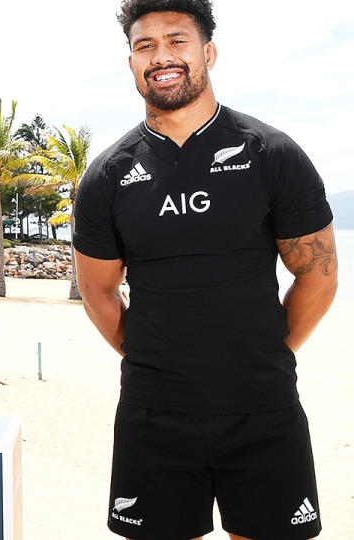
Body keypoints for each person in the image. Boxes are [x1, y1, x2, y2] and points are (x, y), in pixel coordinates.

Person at [73, 1, 337, 539]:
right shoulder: (107, 175)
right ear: (130, 63)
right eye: (145, 46)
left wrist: (270, 352)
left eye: (177, 41)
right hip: (154, 413)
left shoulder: (273, 154)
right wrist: (151, 358)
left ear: (208, 53)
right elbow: (98, 292)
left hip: (263, 409)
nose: (161, 57)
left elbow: (318, 275)